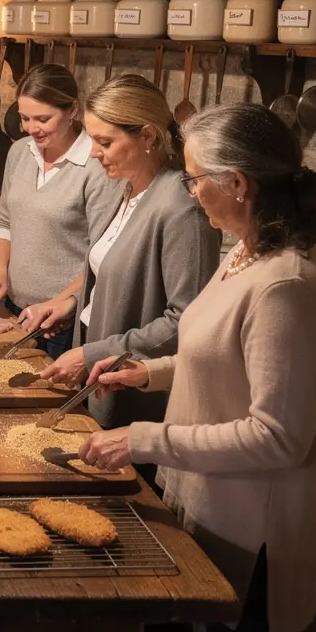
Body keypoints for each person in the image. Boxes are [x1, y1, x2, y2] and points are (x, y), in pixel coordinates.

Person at [79, 103, 316, 632]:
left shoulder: (285, 283)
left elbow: (277, 436)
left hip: (250, 529)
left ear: (238, 183)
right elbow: (217, 357)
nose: (191, 193)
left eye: (195, 179)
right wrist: (147, 372)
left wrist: (142, 440)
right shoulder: (242, 252)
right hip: (204, 501)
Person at [27, 74, 220, 432]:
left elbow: (184, 321)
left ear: (147, 136)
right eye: (92, 140)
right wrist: (72, 306)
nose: (94, 152)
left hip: (137, 388)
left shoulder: (181, 208)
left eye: (105, 142)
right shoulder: (126, 188)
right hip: (100, 370)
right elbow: (111, 279)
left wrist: (92, 354)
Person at [0, 64, 121, 357]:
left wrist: (60, 304)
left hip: (63, 320)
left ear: (72, 110)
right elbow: (5, 220)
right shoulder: (20, 152)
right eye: (25, 118)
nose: (32, 129)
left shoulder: (96, 166)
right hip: (14, 310)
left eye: (43, 119)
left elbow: (104, 255)